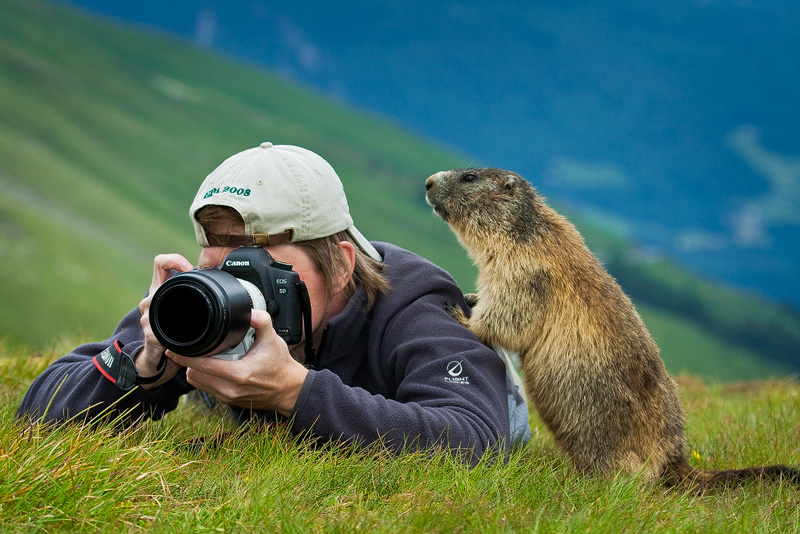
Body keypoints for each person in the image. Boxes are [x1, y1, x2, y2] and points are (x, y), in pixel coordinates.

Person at [17, 142, 529, 462]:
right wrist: (143, 366)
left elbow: (473, 438)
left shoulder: (412, 304)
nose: (239, 287)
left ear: (342, 263)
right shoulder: (203, 298)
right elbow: (36, 418)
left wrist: (294, 392)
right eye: (219, 263)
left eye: (259, 266)